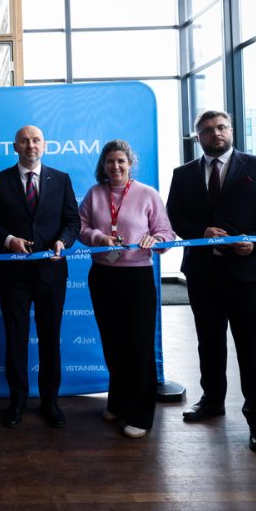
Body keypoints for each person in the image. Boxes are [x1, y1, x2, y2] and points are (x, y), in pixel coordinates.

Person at [166, 110, 256, 453]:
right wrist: (201, 232)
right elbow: (175, 217)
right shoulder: (183, 174)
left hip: (248, 273)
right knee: (209, 343)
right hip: (203, 273)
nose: (216, 133)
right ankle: (212, 401)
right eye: (207, 130)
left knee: (253, 349)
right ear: (198, 137)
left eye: (221, 127)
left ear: (231, 130)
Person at [0, 125, 81, 429]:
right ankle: (17, 401)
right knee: (16, 338)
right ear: (15, 147)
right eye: (24, 141)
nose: (30, 145)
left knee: (50, 338)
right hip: (13, 273)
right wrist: (10, 240)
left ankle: (50, 401)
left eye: (36, 140)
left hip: (52, 272)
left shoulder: (61, 179)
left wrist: (63, 241)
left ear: (44, 145)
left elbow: (73, 221)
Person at [78, 140, 175, 439]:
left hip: (137, 278)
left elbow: (167, 234)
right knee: (113, 343)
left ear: (130, 163)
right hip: (103, 276)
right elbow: (79, 228)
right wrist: (98, 237)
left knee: (139, 346)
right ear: (103, 165)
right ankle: (118, 403)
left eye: (121, 160)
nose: (115, 166)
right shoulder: (94, 194)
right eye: (110, 161)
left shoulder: (147, 194)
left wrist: (156, 240)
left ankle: (141, 415)